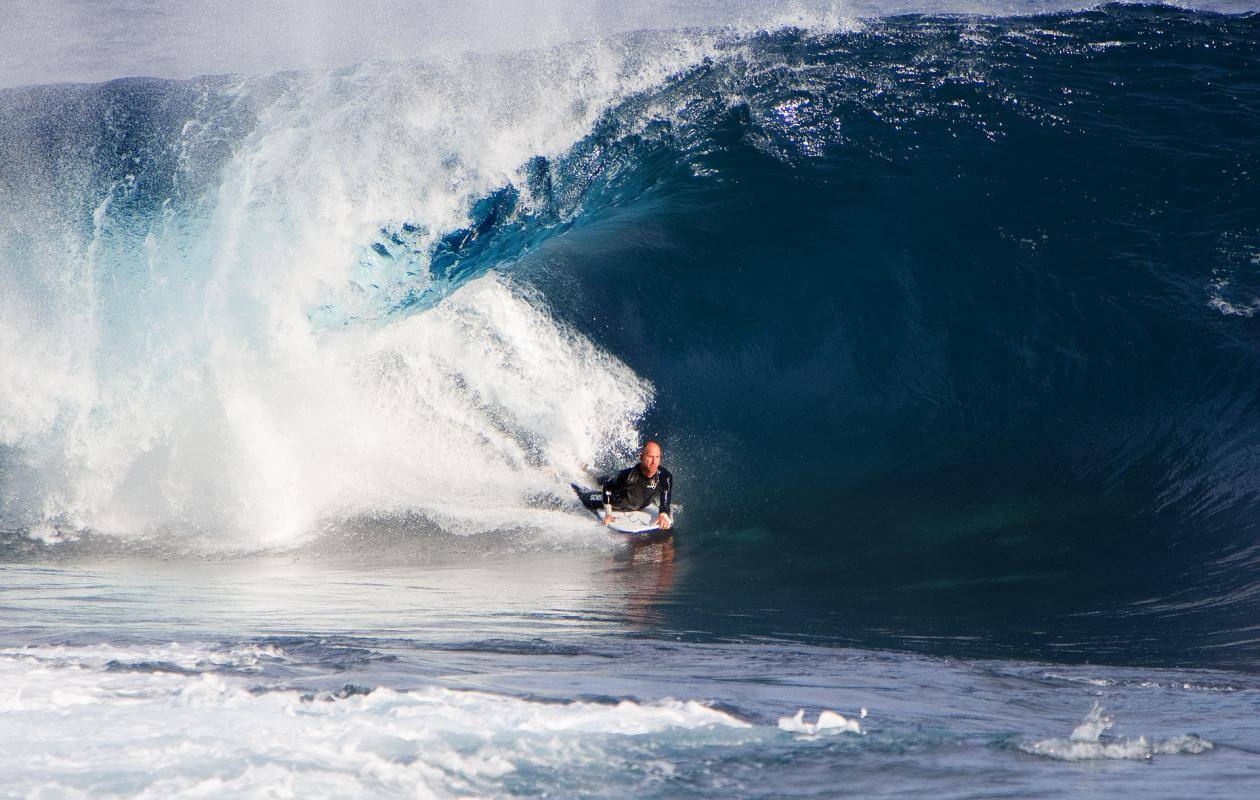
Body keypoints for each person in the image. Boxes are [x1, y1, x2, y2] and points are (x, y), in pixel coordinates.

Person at [601, 441, 673, 530]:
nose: (654, 462)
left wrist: (663, 515)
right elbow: (607, 488)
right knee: (594, 491)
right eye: (650, 457)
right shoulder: (628, 476)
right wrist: (608, 514)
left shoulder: (664, 477)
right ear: (641, 457)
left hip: (639, 504)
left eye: (657, 457)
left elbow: (665, 503)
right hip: (617, 504)